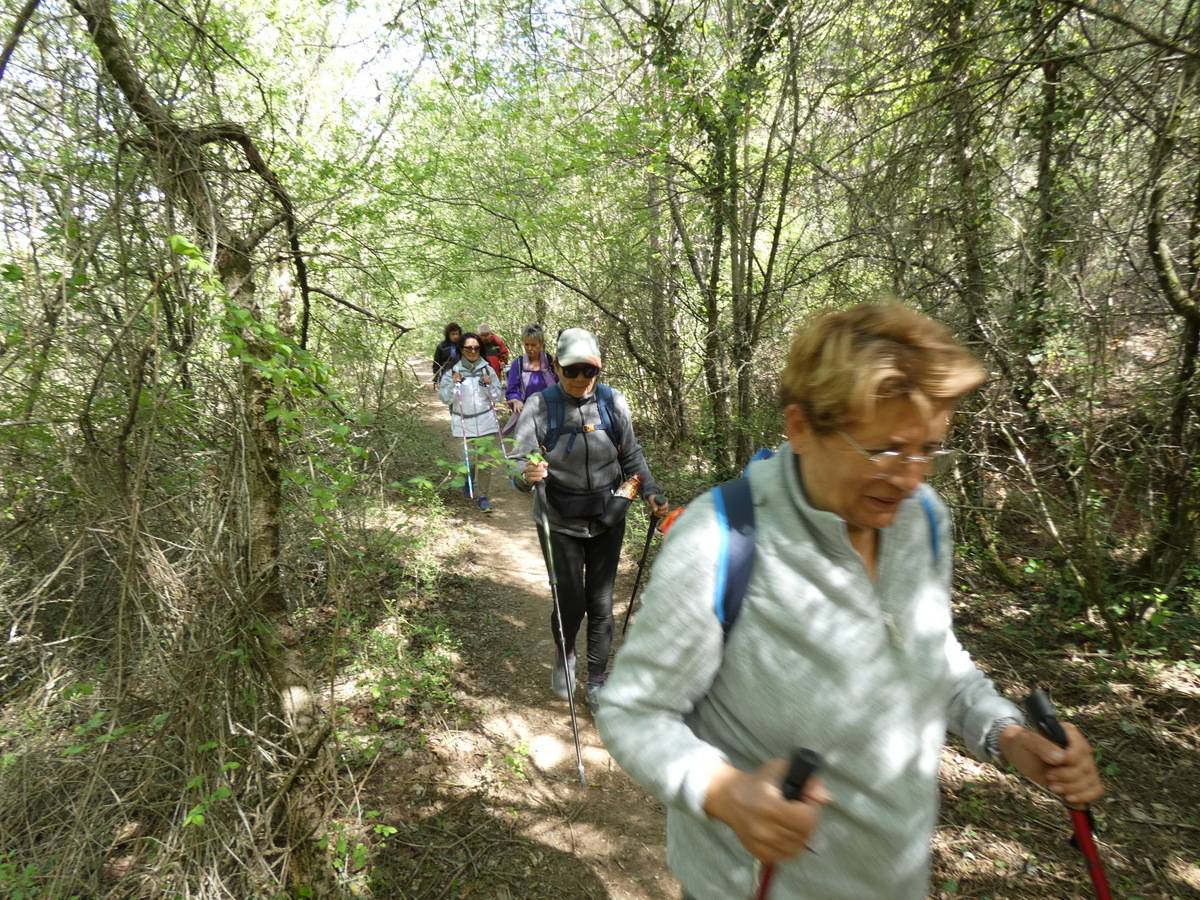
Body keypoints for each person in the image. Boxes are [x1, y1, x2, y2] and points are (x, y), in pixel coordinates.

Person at [596, 304, 1104, 899]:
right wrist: (723, 791)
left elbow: (930, 651)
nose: (911, 477)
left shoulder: (923, 522)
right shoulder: (719, 538)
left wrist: (1008, 736)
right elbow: (633, 712)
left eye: (930, 450)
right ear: (802, 428)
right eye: (886, 450)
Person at [514, 328, 669, 711]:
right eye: (573, 371)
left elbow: (631, 456)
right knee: (571, 601)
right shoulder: (539, 406)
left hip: (607, 516)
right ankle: (565, 654)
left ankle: (597, 679)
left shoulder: (613, 403)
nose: (582, 379)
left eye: (590, 371)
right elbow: (519, 462)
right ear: (556, 366)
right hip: (558, 519)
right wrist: (525, 475)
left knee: (601, 602)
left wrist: (649, 490)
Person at [438, 333, 503, 512]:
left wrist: (488, 385)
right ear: (461, 350)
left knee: (486, 461)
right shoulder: (453, 371)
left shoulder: (487, 370)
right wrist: (453, 383)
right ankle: (468, 482)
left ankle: (483, 496)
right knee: (468, 462)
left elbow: (497, 397)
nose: (473, 351)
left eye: (476, 348)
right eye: (468, 348)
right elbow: (445, 398)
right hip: (463, 423)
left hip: (486, 421)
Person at [504, 323, 558, 429]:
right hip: (527, 413)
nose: (529, 348)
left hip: (551, 411)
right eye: (526, 344)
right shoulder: (518, 364)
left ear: (541, 343)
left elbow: (559, 383)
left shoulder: (549, 361)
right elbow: (512, 389)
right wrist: (516, 400)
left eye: (533, 345)